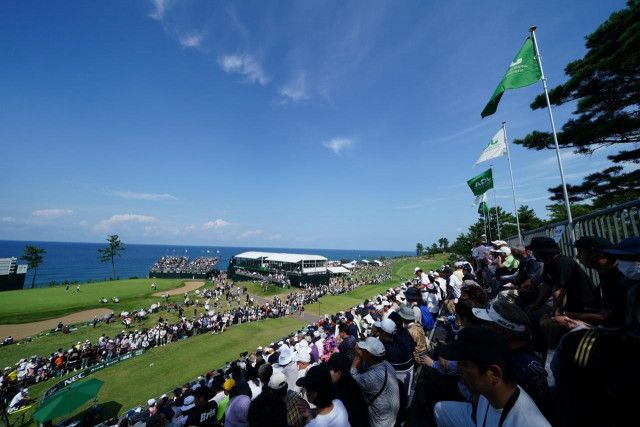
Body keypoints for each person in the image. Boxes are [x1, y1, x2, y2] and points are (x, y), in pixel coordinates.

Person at [434, 326, 550, 427]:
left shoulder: (527, 422)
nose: (459, 370)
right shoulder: (488, 392)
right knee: (439, 409)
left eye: (464, 365)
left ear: (494, 373)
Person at [350, 337, 400, 427]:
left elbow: (353, 376)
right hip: (391, 416)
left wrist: (357, 357)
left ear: (368, 354)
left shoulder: (370, 378)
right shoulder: (387, 364)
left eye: (363, 350)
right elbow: (366, 367)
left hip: (381, 423)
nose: (361, 351)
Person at [326, 353, 370, 427]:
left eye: (330, 370)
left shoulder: (340, 393)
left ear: (338, 373)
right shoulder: (353, 385)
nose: (328, 373)